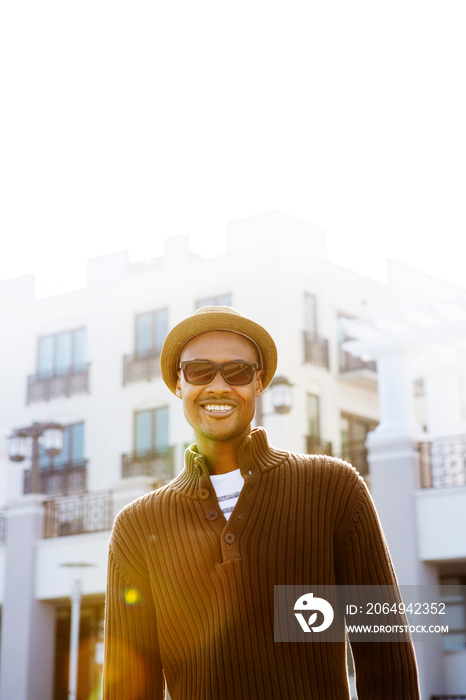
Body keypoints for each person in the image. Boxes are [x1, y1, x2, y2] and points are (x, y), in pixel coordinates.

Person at [103, 305, 420, 699]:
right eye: (199, 371)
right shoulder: (138, 525)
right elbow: (128, 687)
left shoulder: (333, 487)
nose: (218, 386)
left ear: (258, 383)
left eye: (236, 371)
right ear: (178, 384)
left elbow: (386, 657)